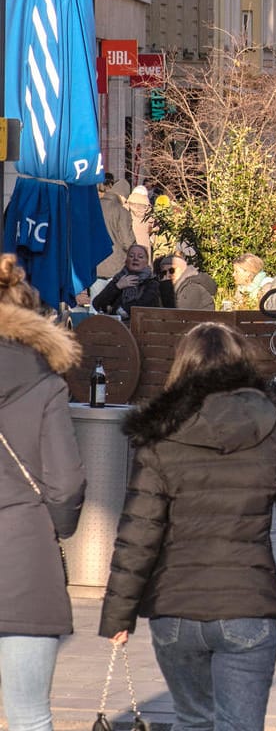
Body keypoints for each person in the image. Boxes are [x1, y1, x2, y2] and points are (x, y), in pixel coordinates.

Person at [99, 323, 276, 731]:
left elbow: (139, 533)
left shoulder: (161, 438)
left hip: (175, 610)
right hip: (248, 604)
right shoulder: (273, 433)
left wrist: (118, 616)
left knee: (192, 720)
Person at [0, 255, 86, 731]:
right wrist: (54, 527)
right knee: (30, 716)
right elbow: (66, 484)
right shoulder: (45, 385)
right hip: (24, 556)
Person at [92, 245, 163, 319]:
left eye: (140, 257)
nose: (135, 259)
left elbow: (145, 304)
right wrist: (117, 287)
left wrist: (122, 310)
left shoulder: (152, 283)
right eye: (131, 256)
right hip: (117, 327)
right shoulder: (119, 279)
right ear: (126, 260)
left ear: (146, 262)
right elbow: (97, 304)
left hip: (143, 327)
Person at [97, 178, 137, 281]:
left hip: (94, 264)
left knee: (97, 297)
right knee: (114, 295)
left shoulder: (93, 206)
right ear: (122, 195)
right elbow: (128, 242)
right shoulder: (122, 211)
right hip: (116, 265)